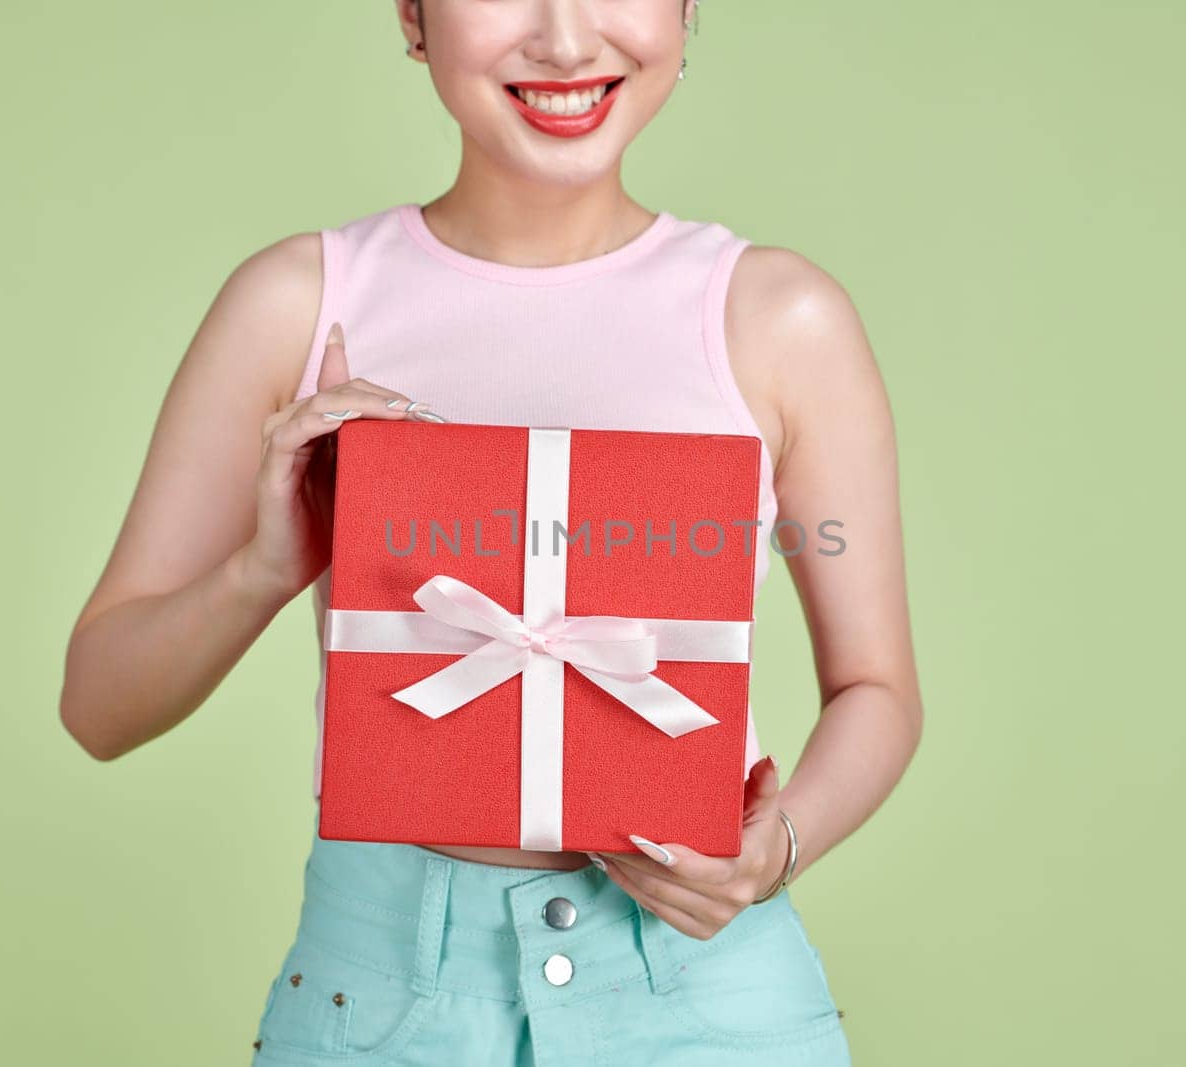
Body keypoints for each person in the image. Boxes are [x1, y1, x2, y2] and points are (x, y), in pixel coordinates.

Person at [60, 1, 921, 1063]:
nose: (564, 40)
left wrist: (772, 848)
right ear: (413, 16)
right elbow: (98, 704)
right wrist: (262, 568)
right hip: (380, 1003)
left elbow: (878, 689)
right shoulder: (299, 304)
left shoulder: (781, 319)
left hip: (708, 1000)